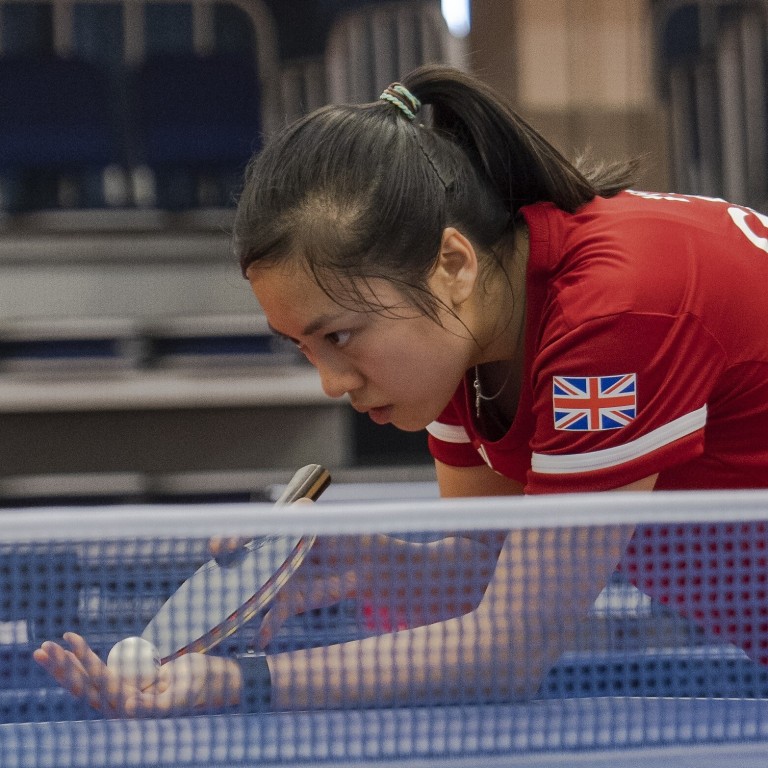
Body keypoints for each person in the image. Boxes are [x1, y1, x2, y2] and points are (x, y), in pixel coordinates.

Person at [34, 65, 768, 717]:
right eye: (305, 348)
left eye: (341, 336)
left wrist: (238, 684)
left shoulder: (616, 313)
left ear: (452, 261)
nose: (330, 382)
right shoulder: (466, 339)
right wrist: (363, 560)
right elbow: (489, 582)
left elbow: (508, 650)